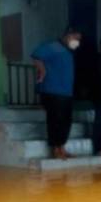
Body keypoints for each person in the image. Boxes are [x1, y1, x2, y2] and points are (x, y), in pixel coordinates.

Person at [32, 27, 82, 160]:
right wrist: (42, 70)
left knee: (67, 121)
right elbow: (36, 56)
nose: (77, 42)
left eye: (79, 40)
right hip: (53, 91)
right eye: (76, 38)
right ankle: (55, 149)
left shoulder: (69, 51)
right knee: (55, 120)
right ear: (67, 36)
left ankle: (62, 148)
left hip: (67, 92)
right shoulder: (52, 46)